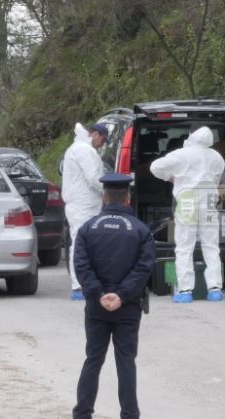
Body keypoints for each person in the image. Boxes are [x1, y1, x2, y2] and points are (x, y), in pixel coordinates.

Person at [73, 173, 155, 419]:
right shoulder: (141, 230)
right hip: (128, 307)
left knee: (93, 359)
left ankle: (82, 413)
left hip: (97, 308)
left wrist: (98, 294)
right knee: (126, 362)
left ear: (105, 197)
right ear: (127, 199)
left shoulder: (88, 229)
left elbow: (81, 265)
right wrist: (121, 295)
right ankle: (130, 414)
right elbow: (144, 268)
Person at [149, 126, 225, 303]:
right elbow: (215, 179)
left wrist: (171, 177)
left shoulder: (181, 154)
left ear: (191, 135)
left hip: (187, 202)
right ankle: (215, 289)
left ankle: (185, 291)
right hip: (208, 201)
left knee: (185, 246)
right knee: (211, 245)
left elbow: (155, 167)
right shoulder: (216, 157)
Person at [62, 122, 108, 300]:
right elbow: (94, 178)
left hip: (83, 204)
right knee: (81, 243)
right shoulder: (84, 150)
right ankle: (79, 285)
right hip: (83, 205)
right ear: (95, 134)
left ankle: (84, 283)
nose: (102, 144)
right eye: (102, 139)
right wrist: (108, 190)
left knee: (85, 243)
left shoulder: (78, 149)